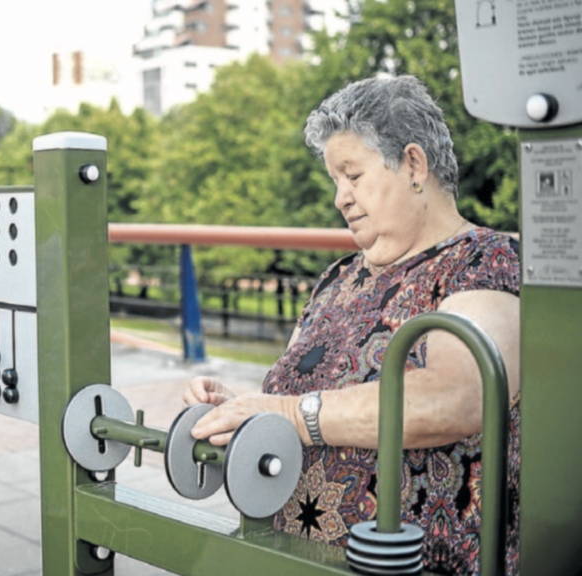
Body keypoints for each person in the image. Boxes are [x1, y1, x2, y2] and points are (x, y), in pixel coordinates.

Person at [183, 76, 520, 575]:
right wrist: (240, 411)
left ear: (413, 165)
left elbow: (460, 395)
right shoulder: (337, 279)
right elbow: (299, 398)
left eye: (353, 175)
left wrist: (290, 413)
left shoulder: (485, 261)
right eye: (334, 181)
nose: (340, 198)